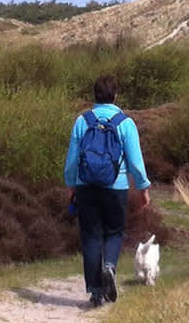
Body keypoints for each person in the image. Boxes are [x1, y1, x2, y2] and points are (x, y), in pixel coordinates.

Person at [63, 74, 151, 308]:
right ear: (116, 95)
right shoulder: (125, 123)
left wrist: (71, 184)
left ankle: (95, 292)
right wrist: (143, 187)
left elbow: (72, 160)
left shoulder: (82, 121)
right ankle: (109, 266)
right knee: (114, 231)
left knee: (91, 236)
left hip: (86, 187)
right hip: (116, 187)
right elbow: (135, 161)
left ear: (94, 95)